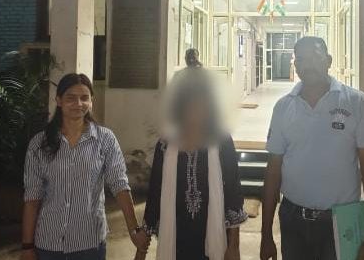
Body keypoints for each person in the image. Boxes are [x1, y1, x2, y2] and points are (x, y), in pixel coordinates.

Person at [260, 37, 364, 260]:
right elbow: (272, 172)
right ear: (295, 65)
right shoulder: (283, 107)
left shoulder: (357, 103)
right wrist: (266, 234)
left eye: (314, 58)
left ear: (328, 61)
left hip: (341, 223)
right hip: (293, 221)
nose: (307, 65)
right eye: (301, 60)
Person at [21, 73, 149, 260]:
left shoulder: (105, 139)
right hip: (48, 243)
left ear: (91, 101)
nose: (78, 103)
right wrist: (27, 246)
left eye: (84, 98)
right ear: (59, 100)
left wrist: (134, 230)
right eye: (71, 98)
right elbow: (32, 197)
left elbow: (120, 186)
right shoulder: (40, 143)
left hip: (90, 244)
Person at [141, 68, 247, 260]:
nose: (195, 106)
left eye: (201, 99)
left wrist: (234, 246)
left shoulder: (222, 141)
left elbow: (233, 192)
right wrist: (141, 249)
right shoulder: (165, 145)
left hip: (212, 240)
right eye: (188, 99)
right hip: (176, 242)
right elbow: (155, 195)